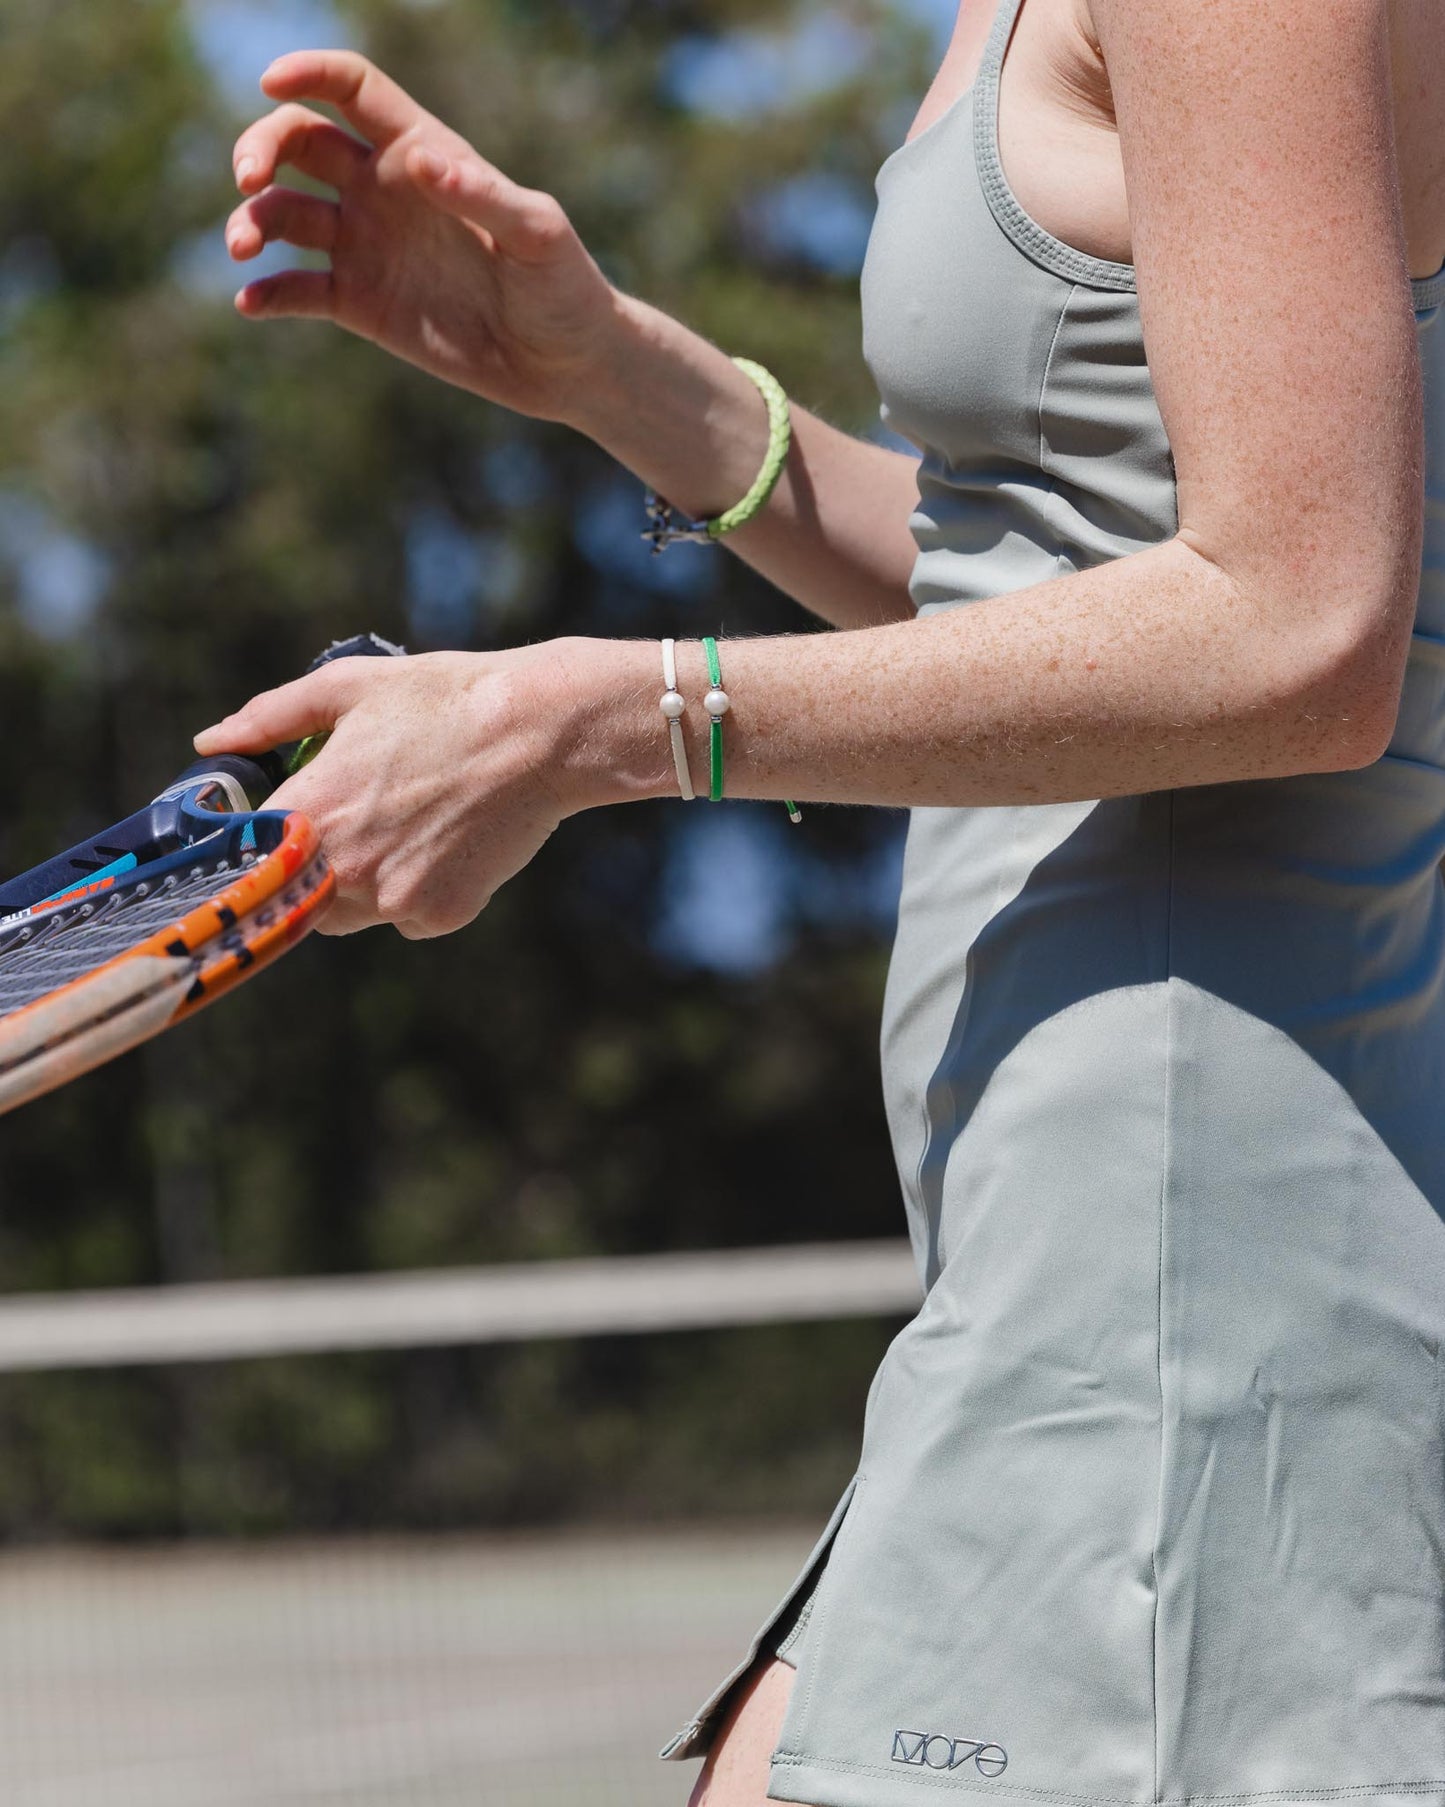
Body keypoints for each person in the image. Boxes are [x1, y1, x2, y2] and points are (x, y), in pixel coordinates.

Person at [202, 0, 1445, 1801]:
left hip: (1181, 1268)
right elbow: (1034, 590)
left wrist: (589, 725)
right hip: (1053, 1248)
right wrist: (620, 374)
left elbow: (1296, 627)